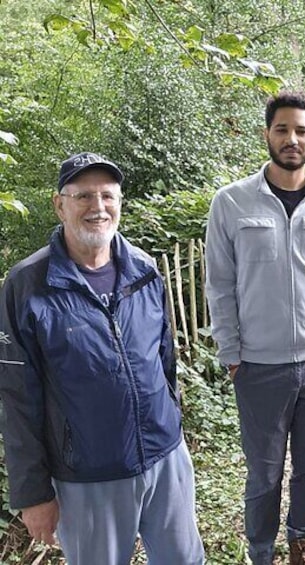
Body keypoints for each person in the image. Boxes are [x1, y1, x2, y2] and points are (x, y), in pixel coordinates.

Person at [0, 152, 204, 564]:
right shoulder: (26, 286)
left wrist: (173, 429)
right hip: (88, 476)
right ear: (60, 204)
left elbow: (165, 363)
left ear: (120, 202)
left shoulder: (144, 271)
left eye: (108, 196)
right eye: (84, 197)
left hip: (165, 460)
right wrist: (32, 492)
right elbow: (16, 397)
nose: (98, 208)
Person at [205, 91, 305, 565]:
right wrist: (231, 351)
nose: (292, 139)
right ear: (267, 134)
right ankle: (261, 550)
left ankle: (300, 539)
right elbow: (220, 282)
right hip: (258, 364)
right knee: (264, 470)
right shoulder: (230, 203)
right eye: (282, 129)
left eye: (301, 130)